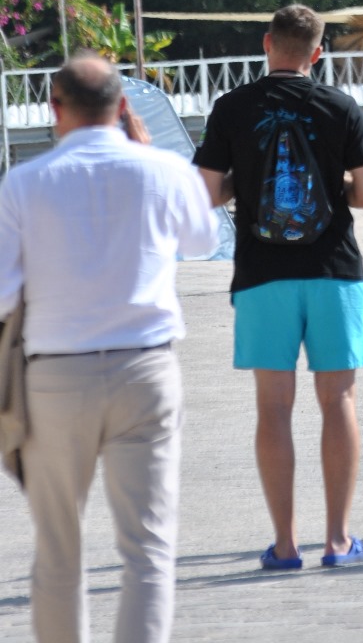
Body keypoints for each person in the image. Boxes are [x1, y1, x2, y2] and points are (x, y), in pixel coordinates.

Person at [0, 52, 218, 643]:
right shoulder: (163, 170)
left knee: (58, 549)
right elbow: (202, 241)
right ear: (123, 107)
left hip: (55, 375)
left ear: (55, 110)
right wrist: (152, 154)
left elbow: (2, 293)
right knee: (148, 548)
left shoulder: (22, 183)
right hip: (144, 366)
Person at [194, 3, 363, 572]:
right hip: (333, 271)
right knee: (339, 401)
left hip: (261, 275)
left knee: (273, 408)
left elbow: (205, 194)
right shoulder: (340, 106)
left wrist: (246, 185)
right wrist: (334, 185)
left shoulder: (231, 107)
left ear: (267, 43)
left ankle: (283, 545)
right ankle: (338, 541)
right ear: (317, 52)